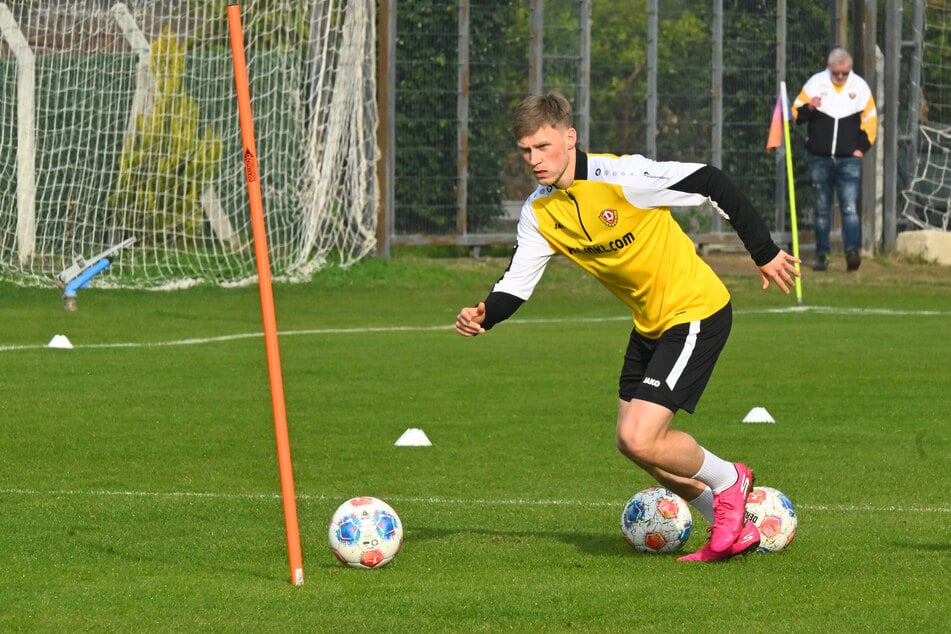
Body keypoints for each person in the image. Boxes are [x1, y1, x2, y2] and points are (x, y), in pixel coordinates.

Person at [455, 92, 800, 562]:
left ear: (569, 138)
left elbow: (711, 181)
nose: (535, 160)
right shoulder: (539, 213)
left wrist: (763, 251)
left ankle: (730, 481)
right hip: (651, 323)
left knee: (643, 435)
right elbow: (515, 285)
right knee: (632, 443)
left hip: (696, 310)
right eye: (526, 151)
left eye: (543, 146)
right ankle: (727, 518)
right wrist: (484, 314)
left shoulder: (622, 178)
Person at [792, 47, 878, 272]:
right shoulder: (815, 83)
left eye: (844, 73)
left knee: (849, 207)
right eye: (836, 73)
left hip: (849, 160)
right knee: (821, 208)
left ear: (849, 71)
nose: (840, 77)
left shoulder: (859, 87)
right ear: (829, 69)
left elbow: (870, 121)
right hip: (819, 158)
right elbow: (795, 114)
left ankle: (852, 253)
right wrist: (810, 107)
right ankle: (823, 255)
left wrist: (860, 149)